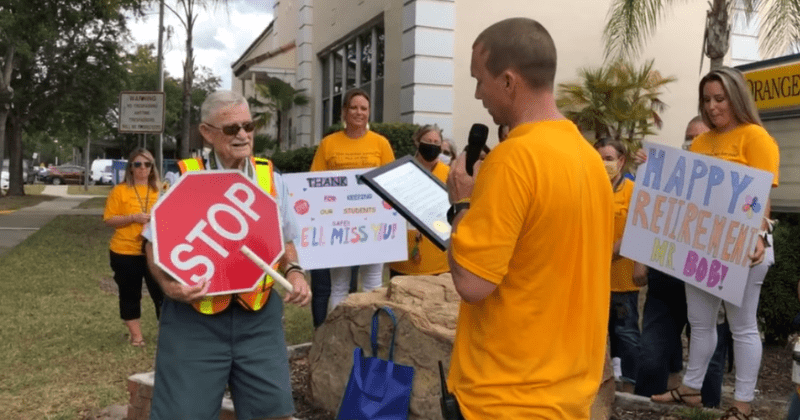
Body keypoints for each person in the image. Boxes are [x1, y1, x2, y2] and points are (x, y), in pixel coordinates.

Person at [445, 18, 614, 418]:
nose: (477, 93)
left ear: (507, 81)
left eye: (479, 79)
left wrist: (461, 206)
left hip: (503, 399)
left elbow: (472, 282)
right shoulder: (590, 161)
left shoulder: (513, 159)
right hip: (569, 397)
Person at [143, 90, 311, 420]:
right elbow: (153, 245)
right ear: (207, 132)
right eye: (232, 129)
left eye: (248, 126)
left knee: (273, 413)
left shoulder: (271, 178)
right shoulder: (181, 177)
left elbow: (284, 241)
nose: (244, 135)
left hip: (258, 317)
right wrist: (168, 287)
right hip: (195, 319)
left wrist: (294, 272)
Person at [650, 67, 779, 420]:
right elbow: (689, 193)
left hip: (746, 246)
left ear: (735, 98)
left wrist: (757, 232)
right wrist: (654, 171)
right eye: (706, 100)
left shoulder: (756, 138)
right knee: (700, 321)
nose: (712, 107)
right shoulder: (702, 141)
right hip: (704, 246)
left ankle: (741, 406)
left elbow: (761, 195)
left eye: (719, 99)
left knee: (743, 326)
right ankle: (691, 389)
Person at [635, 117, 730, 408]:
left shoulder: (729, 180)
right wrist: (640, 261)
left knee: (711, 361)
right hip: (666, 281)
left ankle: (707, 410)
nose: (693, 143)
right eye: (689, 137)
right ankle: (644, 407)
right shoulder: (665, 176)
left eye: (700, 137)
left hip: (708, 282)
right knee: (651, 354)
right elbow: (649, 216)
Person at [310, 88, 395, 311]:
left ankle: (369, 335)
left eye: (364, 108)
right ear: (344, 112)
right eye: (354, 107)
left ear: (369, 113)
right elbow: (315, 183)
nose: (359, 112)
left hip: (374, 222)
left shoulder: (381, 144)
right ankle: (336, 337)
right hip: (339, 223)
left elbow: (391, 182)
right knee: (339, 285)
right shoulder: (328, 144)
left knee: (373, 283)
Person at [594, 137, 647, 394]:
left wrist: (638, 264)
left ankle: (628, 384)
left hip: (622, 279)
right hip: (592, 279)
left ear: (622, 161)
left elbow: (641, 228)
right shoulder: (589, 189)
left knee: (625, 333)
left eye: (609, 158)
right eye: (600, 158)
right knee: (595, 335)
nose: (604, 163)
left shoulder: (633, 191)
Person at [102, 148, 164, 347]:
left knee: (161, 293)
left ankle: (167, 334)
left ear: (153, 168)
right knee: (130, 294)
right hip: (125, 251)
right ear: (130, 167)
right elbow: (109, 220)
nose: (142, 168)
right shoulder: (119, 191)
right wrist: (132, 218)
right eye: (137, 164)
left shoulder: (160, 190)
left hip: (155, 251)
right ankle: (136, 337)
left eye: (147, 164)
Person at [389, 125, 450, 278]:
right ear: (417, 142)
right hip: (404, 255)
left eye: (436, 142)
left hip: (439, 259)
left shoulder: (449, 174)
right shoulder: (402, 171)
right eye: (428, 140)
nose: (432, 144)